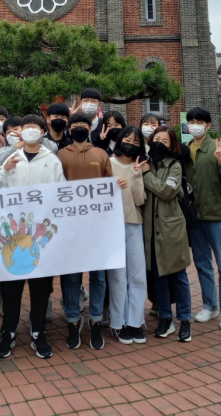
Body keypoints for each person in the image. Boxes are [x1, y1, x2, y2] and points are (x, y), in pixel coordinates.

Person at [0, 115, 65, 360]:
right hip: (14, 235)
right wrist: (5, 171)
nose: (30, 131)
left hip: (39, 235)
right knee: (12, 288)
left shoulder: (52, 160)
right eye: (26, 127)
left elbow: (61, 192)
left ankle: (39, 334)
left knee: (40, 290)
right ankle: (8, 333)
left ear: (43, 132)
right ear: (20, 132)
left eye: (35, 127)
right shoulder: (11, 159)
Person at [57, 112, 126, 351]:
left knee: (98, 276)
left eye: (83, 125)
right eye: (74, 124)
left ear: (90, 128)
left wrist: (119, 185)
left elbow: (109, 187)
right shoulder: (60, 155)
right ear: (69, 128)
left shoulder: (101, 154)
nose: (78, 128)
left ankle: (96, 321)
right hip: (70, 228)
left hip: (98, 228)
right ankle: (73, 321)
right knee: (71, 277)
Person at [185, 107, 221, 330]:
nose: (195, 125)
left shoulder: (216, 147)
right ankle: (210, 305)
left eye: (199, 122)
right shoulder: (186, 150)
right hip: (195, 216)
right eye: (192, 121)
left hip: (216, 214)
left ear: (207, 126)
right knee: (202, 263)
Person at [143, 125, 193, 342]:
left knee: (178, 275)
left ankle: (185, 320)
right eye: (156, 139)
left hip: (171, 229)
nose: (159, 144)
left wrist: (145, 176)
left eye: (164, 141)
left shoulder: (174, 165)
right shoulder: (145, 164)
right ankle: (165, 318)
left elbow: (167, 191)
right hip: (149, 230)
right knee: (158, 277)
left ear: (172, 145)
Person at [107, 127, 147, 344]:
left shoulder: (137, 166)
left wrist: (136, 175)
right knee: (118, 277)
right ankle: (119, 322)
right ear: (120, 140)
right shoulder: (108, 163)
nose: (131, 143)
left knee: (137, 275)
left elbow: (140, 200)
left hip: (133, 223)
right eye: (127, 139)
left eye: (136, 140)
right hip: (112, 226)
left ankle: (135, 321)